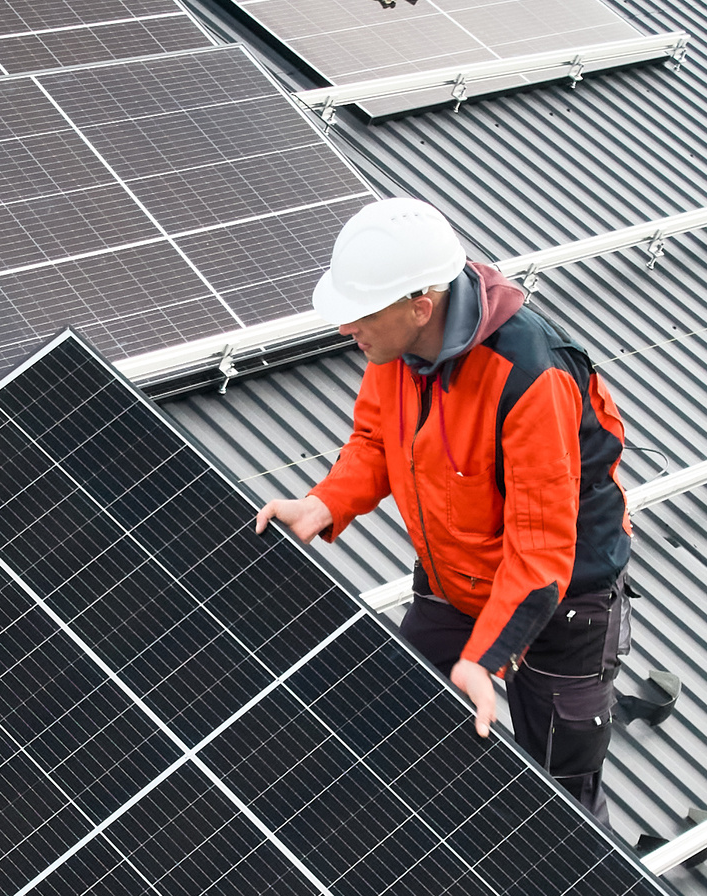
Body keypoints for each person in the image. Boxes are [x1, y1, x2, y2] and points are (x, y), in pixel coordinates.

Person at [250, 198, 635, 816]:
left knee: (561, 797)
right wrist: (323, 505)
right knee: (402, 722)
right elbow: (378, 440)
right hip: (455, 584)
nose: (347, 331)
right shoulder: (396, 350)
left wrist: (485, 659)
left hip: (564, 607)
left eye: (359, 317)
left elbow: (541, 552)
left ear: (420, 306)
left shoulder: (531, 378)